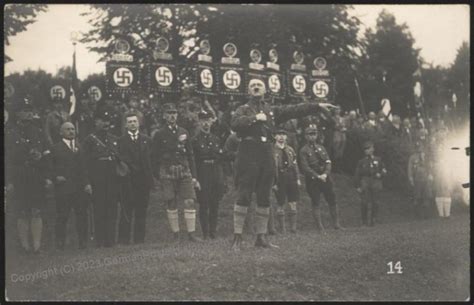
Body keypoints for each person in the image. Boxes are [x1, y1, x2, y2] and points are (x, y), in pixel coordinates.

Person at [230, 78, 336, 250]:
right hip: (248, 153)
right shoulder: (242, 109)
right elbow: (234, 124)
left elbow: (294, 110)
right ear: (248, 91)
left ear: (264, 90)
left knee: (265, 195)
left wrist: (316, 106)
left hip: (266, 153)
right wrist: (254, 118)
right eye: (253, 86)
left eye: (259, 85)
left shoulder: (271, 110)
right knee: (244, 194)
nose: (256, 87)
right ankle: (237, 238)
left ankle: (261, 237)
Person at [5, 98, 52, 254]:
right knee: (22, 211)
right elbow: (7, 160)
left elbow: (46, 156)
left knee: (36, 210)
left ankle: (37, 246)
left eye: (31, 110)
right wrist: (9, 181)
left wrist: (47, 176)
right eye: (25, 111)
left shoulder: (38, 131)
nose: (29, 113)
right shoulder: (10, 133)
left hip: (36, 176)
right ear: (18, 114)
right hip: (19, 177)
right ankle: (25, 246)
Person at [152, 102, 201, 242]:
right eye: (169, 113)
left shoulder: (184, 132)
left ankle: (191, 233)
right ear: (164, 116)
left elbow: (190, 154)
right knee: (171, 201)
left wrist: (195, 175)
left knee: (190, 200)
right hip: (167, 171)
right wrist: (158, 174)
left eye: (174, 113)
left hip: (184, 169)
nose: (172, 116)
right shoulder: (159, 134)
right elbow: (154, 156)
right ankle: (176, 234)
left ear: (177, 115)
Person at [82, 106, 121, 247]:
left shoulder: (114, 139)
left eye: (107, 121)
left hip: (112, 177)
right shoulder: (89, 140)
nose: (105, 124)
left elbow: (119, 160)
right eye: (102, 121)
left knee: (112, 208)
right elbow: (84, 163)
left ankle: (111, 239)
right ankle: (100, 240)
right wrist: (87, 182)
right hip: (97, 178)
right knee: (99, 208)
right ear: (96, 122)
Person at [49, 122, 92, 250]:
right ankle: (60, 242)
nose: (71, 131)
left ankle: (83, 242)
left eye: (73, 129)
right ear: (61, 132)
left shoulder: (80, 147)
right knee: (62, 216)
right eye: (68, 129)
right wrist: (56, 177)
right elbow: (49, 167)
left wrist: (87, 183)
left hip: (79, 188)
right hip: (64, 188)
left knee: (82, 216)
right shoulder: (55, 148)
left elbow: (85, 168)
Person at [117, 111, 154, 244]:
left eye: (134, 121)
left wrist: (151, 179)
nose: (132, 124)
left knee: (141, 211)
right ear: (126, 125)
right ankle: (124, 239)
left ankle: (139, 239)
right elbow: (121, 161)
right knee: (126, 210)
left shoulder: (147, 140)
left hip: (143, 181)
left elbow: (152, 160)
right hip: (128, 181)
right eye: (130, 122)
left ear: (139, 123)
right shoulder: (120, 141)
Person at [299, 124, 343, 233]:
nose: (312, 137)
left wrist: (325, 174)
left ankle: (336, 224)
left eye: (314, 134)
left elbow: (328, 161)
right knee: (316, 202)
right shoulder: (303, 150)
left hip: (325, 177)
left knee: (332, 199)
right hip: (313, 179)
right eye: (310, 135)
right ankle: (320, 228)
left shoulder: (321, 147)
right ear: (305, 136)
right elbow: (305, 167)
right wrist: (317, 176)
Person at [192, 110, 226, 239]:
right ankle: (205, 232)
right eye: (203, 121)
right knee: (204, 203)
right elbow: (194, 161)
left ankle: (213, 231)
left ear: (211, 122)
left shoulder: (216, 139)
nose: (206, 124)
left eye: (208, 121)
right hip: (203, 173)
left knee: (215, 203)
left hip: (215, 172)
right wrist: (196, 178)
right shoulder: (195, 140)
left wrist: (222, 178)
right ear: (199, 122)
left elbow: (220, 159)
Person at [272, 129, 300, 234]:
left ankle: (293, 228)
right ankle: (282, 228)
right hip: (279, 177)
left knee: (293, 201)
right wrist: (273, 183)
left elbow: (295, 164)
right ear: (275, 137)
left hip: (291, 176)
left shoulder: (290, 150)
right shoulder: (272, 151)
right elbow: (271, 168)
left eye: (283, 135)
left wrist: (297, 178)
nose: (281, 137)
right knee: (281, 202)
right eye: (279, 135)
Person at [354, 141, 387, 226]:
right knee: (364, 202)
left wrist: (381, 174)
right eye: (365, 149)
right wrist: (358, 186)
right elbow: (357, 174)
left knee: (375, 202)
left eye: (369, 148)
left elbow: (384, 170)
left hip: (376, 181)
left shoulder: (378, 160)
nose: (367, 150)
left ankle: (373, 220)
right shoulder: (361, 162)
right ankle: (364, 221)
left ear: (373, 149)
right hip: (365, 181)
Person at [407, 142, 434, 219]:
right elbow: (410, 169)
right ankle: (417, 215)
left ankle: (426, 215)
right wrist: (411, 178)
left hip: (426, 179)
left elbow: (430, 167)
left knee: (427, 196)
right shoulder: (412, 157)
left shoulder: (427, 157)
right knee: (417, 197)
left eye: (422, 147)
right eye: (418, 147)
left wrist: (431, 174)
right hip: (417, 180)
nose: (420, 149)